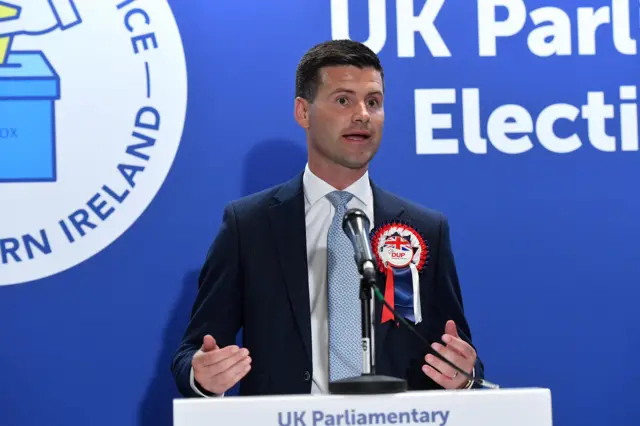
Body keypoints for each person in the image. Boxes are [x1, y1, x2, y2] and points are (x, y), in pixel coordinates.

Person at [171, 39, 484, 397]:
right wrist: (205, 376)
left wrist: (464, 375)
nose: (362, 115)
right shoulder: (249, 226)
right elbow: (190, 355)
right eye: (343, 100)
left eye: (374, 102)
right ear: (303, 112)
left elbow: (459, 358)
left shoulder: (426, 230)